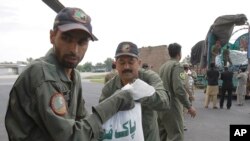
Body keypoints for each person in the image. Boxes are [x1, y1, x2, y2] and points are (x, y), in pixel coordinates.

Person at [4, 7, 135, 141]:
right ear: (52, 36)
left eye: (82, 42)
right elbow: (71, 137)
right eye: (67, 39)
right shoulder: (42, 75)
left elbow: (81, 119)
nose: (74, 50)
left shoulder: (74, 75)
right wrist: (116, 101)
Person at [99, 41, 170, 141]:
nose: (126, 67)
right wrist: (117, 100)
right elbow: (101, 117)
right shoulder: (109, 88)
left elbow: (164, 102)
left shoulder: (149, 78)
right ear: (116, 64)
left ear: (139, 63)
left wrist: (141, 93)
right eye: (122, 62)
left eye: (131, 62)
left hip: (149, 137)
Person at [157, 43, 196, 141]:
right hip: (172, 107)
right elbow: (178, 89)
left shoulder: (163, 66)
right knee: (176, 136)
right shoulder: (177, 66)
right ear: (179, 54)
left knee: (161, 135)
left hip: (161, 106)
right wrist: (189, 106)